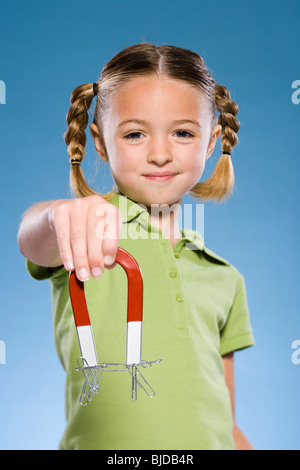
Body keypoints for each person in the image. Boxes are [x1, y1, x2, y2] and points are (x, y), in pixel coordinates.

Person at [18, 43, 255, 450]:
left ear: (212, 140)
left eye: (182, 133)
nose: (160, 154)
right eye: (134, 134)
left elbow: (224, 420)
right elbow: (33, 239)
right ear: (101, 142)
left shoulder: (224, 276)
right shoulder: (88, 231)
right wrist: (59, 215)